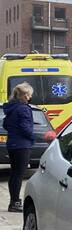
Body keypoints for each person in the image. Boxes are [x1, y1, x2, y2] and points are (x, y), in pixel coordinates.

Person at [3, 83, 35, 213]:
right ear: (26, 95)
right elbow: (25, 127)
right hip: (22, 145)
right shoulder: (23, 109)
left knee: (14, 174)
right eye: (30, 94)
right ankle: (15, 203)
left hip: (12, 144)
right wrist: (34, 137)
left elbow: (5, 124)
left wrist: (14, 131)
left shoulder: (11, 107)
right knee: (19, 175)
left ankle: (13, 201)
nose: (31, 96)